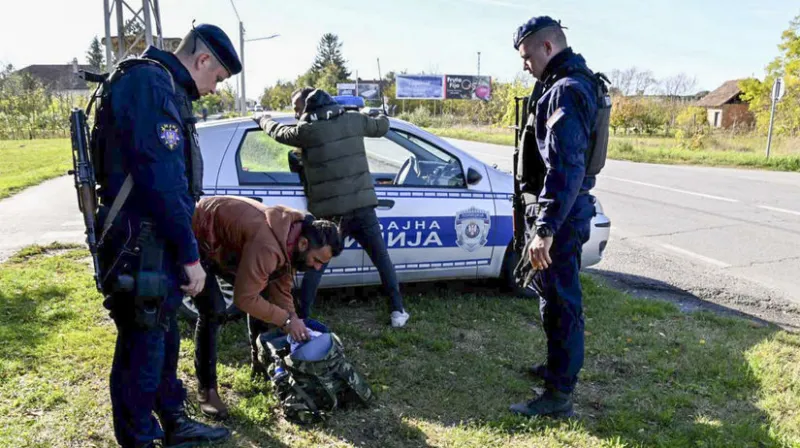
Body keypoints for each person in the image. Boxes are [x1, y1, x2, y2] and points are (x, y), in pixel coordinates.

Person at [94, 23, 241, 447]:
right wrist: (191, 256)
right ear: (202, 60)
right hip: (141, 240)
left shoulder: (158, 83)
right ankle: (139, 438)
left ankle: (173, 421)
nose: (214, 89)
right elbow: (164, 183)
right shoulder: (152, 85)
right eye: (217, 77)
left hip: (149, 239)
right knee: (142, 347)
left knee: (162, 335)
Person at [507, 16, 603, 418]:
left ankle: (559, 395)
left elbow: (566, 167)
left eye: (527, 57)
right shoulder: (563, 84)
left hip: (560, 218)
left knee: (562, 303)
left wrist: (545, 228)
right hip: (559, 213)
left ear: (548, 47)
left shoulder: (566, 91)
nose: (524, 65)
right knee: (552, 297)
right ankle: (555, 368)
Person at [255, 88, 411, 328]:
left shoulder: (307, 131)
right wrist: (379, 113)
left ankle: (303, 316)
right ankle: (397, 311)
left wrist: (262, 118)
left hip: (330, 215)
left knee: (316, 266)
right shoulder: (354, 120)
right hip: (362, 207)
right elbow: (382, 126)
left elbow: (277, 132)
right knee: (382, 259)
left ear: (309, 110)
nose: (296, 115)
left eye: (298, 110)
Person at [190, 196, 343, 417]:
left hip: (226, 246)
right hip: (197, 238)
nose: (317, 268)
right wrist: (286, 321)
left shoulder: (292, 238)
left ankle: (260, 364)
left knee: (264, 295)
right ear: (303, 244)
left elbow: (280, 288)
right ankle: (207, 390)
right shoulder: (268, 245)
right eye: (317, 260)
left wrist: (293, 317)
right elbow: (244, 299)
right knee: (213, 310)